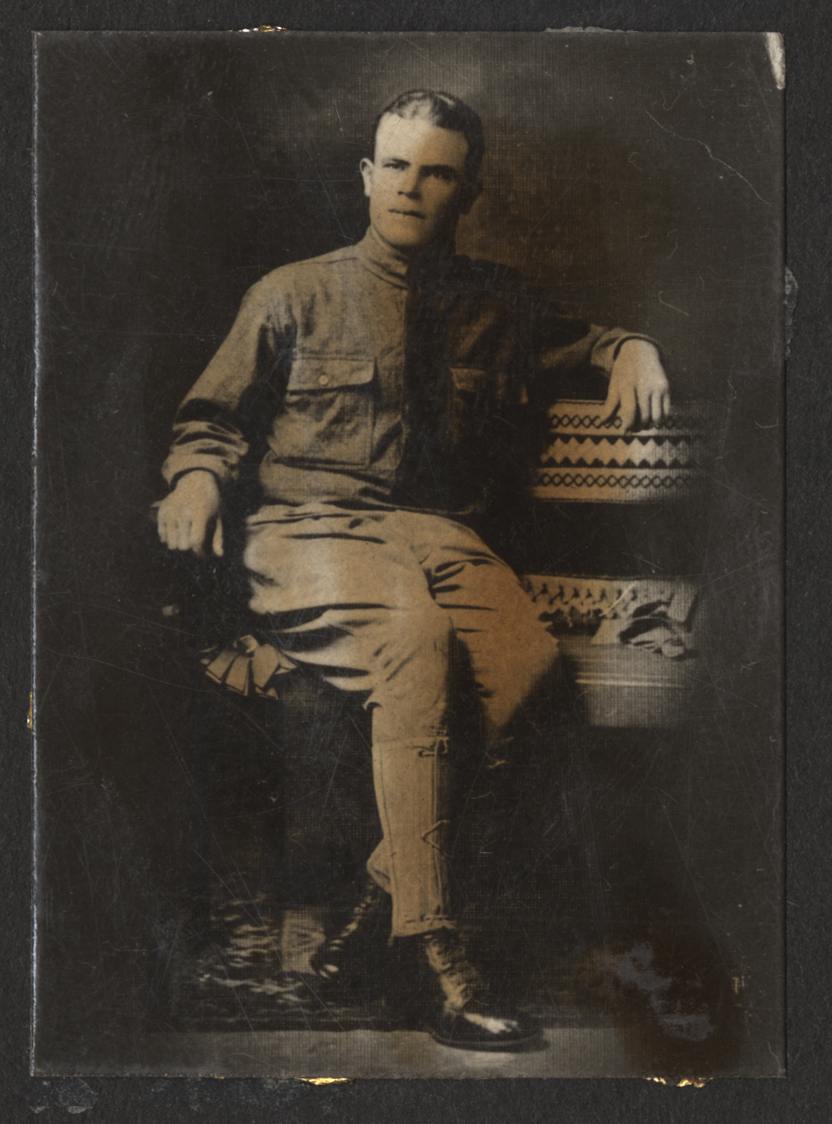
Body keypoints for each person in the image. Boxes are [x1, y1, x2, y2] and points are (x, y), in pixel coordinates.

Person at [156, 89, 670, 1050]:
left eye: (437, 172)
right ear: (366, 175)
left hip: (439, 537)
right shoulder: (290, 292)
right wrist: (192, 478)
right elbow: (212, 421)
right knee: (418, 652)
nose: (411, 186)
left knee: (527, 675)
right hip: (308, 535)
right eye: (395, 165)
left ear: (467, 191)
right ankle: (440, 956)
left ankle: (367, 922)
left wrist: (630, 345)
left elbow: (585, 340)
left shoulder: (500, 302)